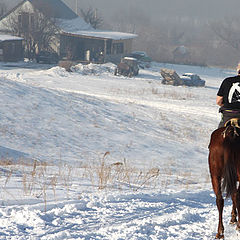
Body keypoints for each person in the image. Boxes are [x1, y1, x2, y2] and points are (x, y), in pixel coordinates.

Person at [217, 64, 240, 128]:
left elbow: (218, 101)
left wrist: (228, 104)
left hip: (228, 114)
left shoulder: (227, 81)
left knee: (219, 133)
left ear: (238, 69)